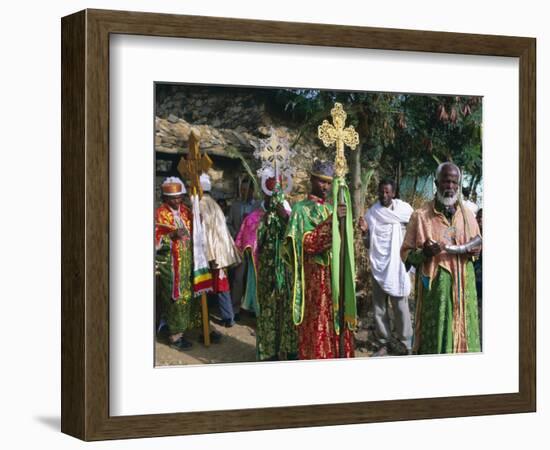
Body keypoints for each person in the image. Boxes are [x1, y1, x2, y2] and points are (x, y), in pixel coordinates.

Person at [401, 162, 481, 354]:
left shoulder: (468, 216)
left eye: (454, 183)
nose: (450, 187)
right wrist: (424, 253)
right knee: (435, 344)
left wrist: (475, 252)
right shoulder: (420, 216)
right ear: (437, 183)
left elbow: (477, 248)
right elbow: (406, 255)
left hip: (464, 291)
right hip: (435, 294)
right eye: (446, 182)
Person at [283, 160, 354, 360]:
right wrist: (331, 224)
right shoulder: (300, 210)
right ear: (312, 180)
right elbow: (308, 243)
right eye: (322, 182)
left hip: (336, 276)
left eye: (330, 183)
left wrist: (353, 227)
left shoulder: (332, 208)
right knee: (319, 321)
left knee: (338, 320)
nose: (326, 187)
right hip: (316, 281)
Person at [359, 178, 414, 356]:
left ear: (393, 193)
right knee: (379, 308)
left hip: (398, 266)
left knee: (400, 306)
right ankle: (384, 341)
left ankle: (406, 342)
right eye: (381, 191)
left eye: (387, 192)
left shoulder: (405, 212)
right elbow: (368, 244)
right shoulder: (372, 214)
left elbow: (413, 235)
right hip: (379, 266)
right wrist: (366, 232)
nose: (384, 195)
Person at [254, 167, 296, 361]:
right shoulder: (263, 218)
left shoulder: (290, 215)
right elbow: (258, 244)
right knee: (269, 311)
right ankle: (269, 351)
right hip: (267, 273)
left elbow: (296, 239)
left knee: (287, 310)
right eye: (271, 196)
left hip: (286, 273)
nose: (274, 200)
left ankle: (288, 349)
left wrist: (286, 219)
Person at [155, 177, 200, 351]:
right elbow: (155, 240)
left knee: (187, 297)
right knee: (174, 298)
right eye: (173, 198)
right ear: (165, 199)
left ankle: (181, 330)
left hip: (187, 263)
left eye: (180, 197)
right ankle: (174, 336)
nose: (177, 201)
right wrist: (171, 236)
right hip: (170, 265)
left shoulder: (186, 211)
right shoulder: (159, 214)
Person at [199, 173, 242, 327]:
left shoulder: (201, 205)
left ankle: (228, 316)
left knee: (221, 284)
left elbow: (204, 232)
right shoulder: (214, 204)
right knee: (221, 284)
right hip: (222, 250)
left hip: (214, 252)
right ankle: (226, 315)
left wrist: (206, 254)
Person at [228, 178, 260, 319]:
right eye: (242, 190)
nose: (243, 193)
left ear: (253, 190)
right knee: (238, 277)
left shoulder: (259, 206)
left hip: (255, 248)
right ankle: (235, 309)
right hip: (239, 246)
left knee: (252, 278)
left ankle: (252, 308)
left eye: (246, 190)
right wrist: (236, 234)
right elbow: (228, 223)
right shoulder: (235, 205)